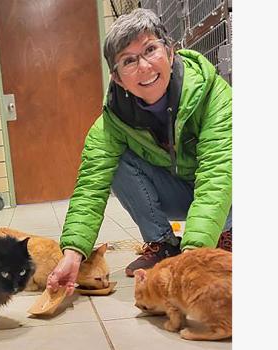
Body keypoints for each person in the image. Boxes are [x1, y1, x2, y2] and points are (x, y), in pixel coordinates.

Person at [47, 8, 232, 295]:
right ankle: (164, 244)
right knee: (114, 162)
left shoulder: (214, 95)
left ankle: (224, 234)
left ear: (170, 53)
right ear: (117, 78)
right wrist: (72, 254)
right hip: (178, 190)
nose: (144, 66)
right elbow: (90, 188)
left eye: (150, 50)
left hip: (228, 192)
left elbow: (218, 175)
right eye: (128, 60)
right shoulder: (112, 121)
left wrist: (193, 257)